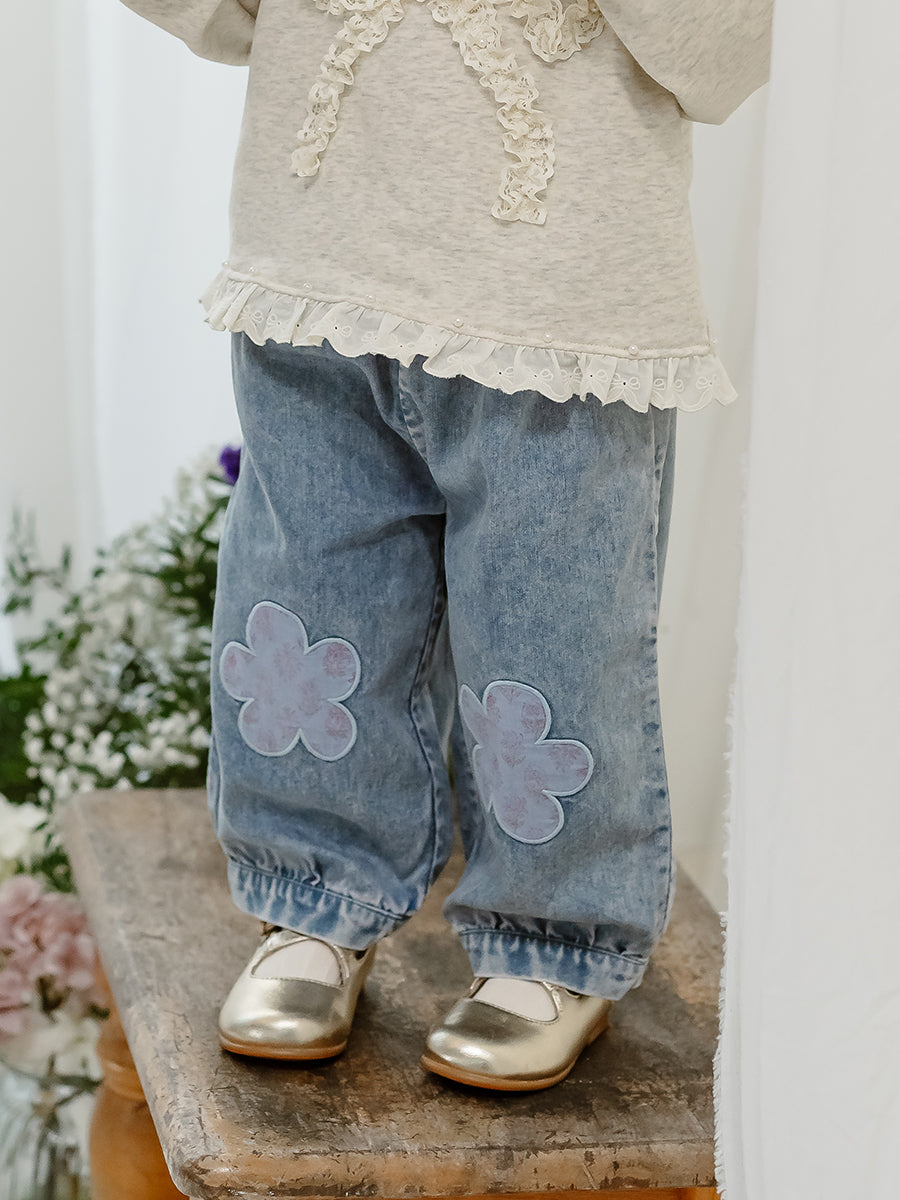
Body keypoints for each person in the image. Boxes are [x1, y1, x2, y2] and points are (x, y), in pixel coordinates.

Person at [120, 0, 772, 1090]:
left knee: (552, 638)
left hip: (557, 306)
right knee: (308, 601)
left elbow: (729, 52)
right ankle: (315, 898)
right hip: (320, 265)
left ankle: (552, 939)